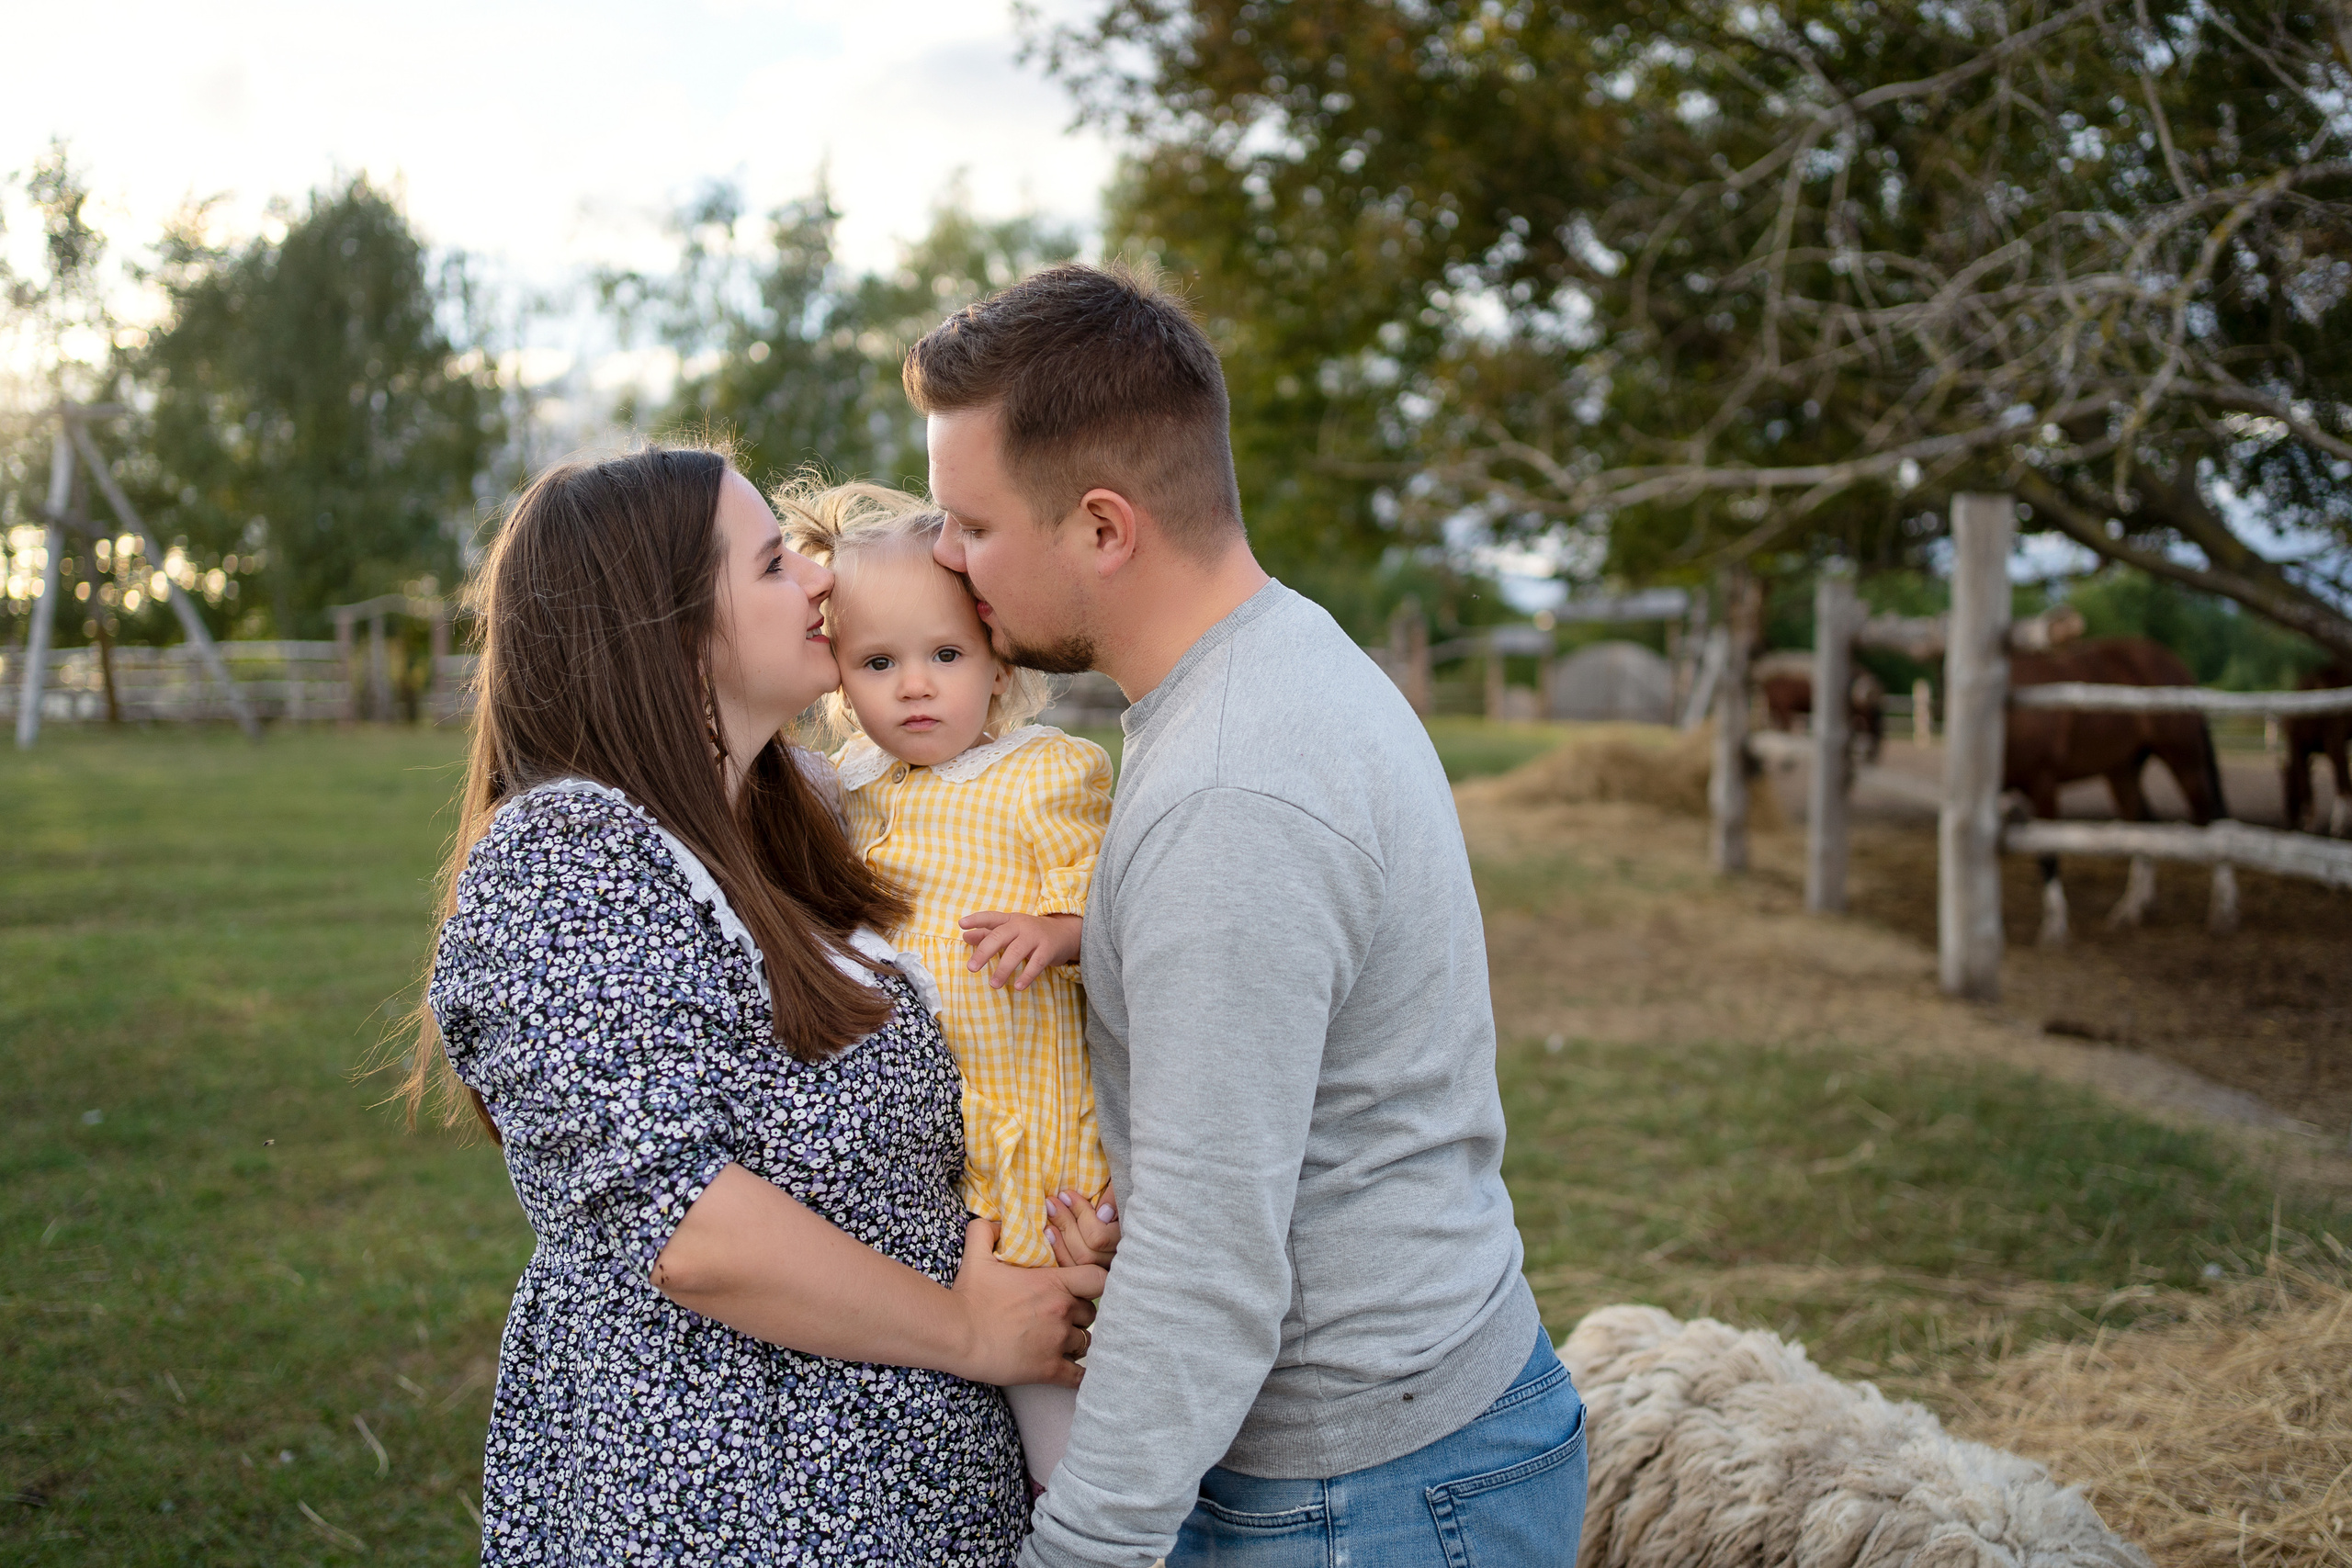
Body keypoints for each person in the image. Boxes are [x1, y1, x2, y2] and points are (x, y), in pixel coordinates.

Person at [909, 264, 1589, 1567]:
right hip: (1414, 1445)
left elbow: (1209, 1267)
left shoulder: (1235, 790)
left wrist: (1082, 1547)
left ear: (1104, 528)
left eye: (970, 523)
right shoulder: (1268, 660)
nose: (944, 556)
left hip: (1371, 1495)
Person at [402, 444, 1103, 1565]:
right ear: (670, 628)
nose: (822, 580)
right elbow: (686, 1225)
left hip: (922, 1502)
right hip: (737, 1506)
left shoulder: (805, 819)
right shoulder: (569, 853)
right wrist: (971, 1329)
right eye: (776, 563)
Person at [777, 479, 1122, 1489]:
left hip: (1039, 1140)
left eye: (944, 656)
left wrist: (1058, 931)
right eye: (878, 663)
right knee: (981, 1415)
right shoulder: (853, 789)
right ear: (838, 675)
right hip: (932, 1153)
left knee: (1065, 1402)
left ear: (993, 652)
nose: (915, 687)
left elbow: (1124, 912)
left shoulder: (1039, 775)